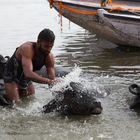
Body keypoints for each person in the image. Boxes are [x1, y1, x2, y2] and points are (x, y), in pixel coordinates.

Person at [3, 28, 57, 104]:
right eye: (46, 46)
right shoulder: (27, 49)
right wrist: (49, 81)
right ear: (38, 42)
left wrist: (58, 93)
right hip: (11, 76)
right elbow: (28, 73)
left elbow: (52, 80)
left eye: (51, 47)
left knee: (31, 102)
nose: (48, 50)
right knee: (16, 105)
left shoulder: (49, 57)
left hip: (26, 80)